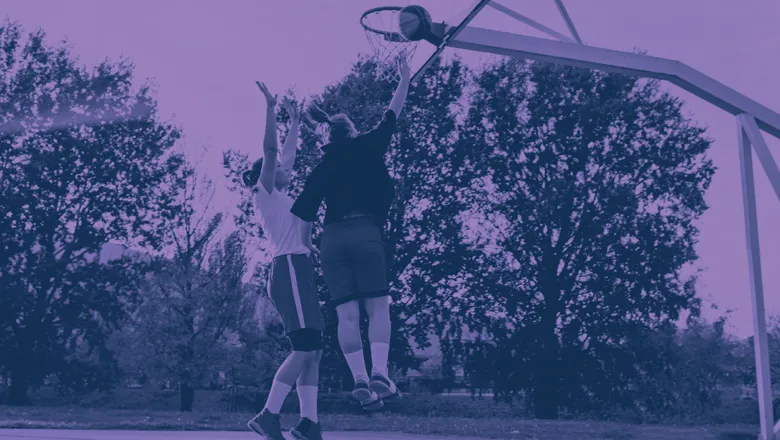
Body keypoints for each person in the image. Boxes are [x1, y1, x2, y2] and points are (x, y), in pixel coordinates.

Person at [290, 59, 411, 411]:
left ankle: (359, 378)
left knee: (347, 316)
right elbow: (393, 111)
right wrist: (403, 78)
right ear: (354, 130)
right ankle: (380, 373)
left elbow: (305, 211)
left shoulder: (325, 163)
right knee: (377, 309)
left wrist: (306, 244)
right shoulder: (370, 145)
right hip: (365, 233)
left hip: (331, 240)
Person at [244, 81, 324, 440]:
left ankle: (308, 423)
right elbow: (272, 149)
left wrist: (295, 121)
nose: (286, 168)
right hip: (287, 267)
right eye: (278, 167)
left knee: (315, 350)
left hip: (299, 269)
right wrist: (272, 108)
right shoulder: (264, 192)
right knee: (304, 347)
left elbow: (286, 153)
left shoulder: (282, 191)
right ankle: (268, 415)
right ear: (267, 170)